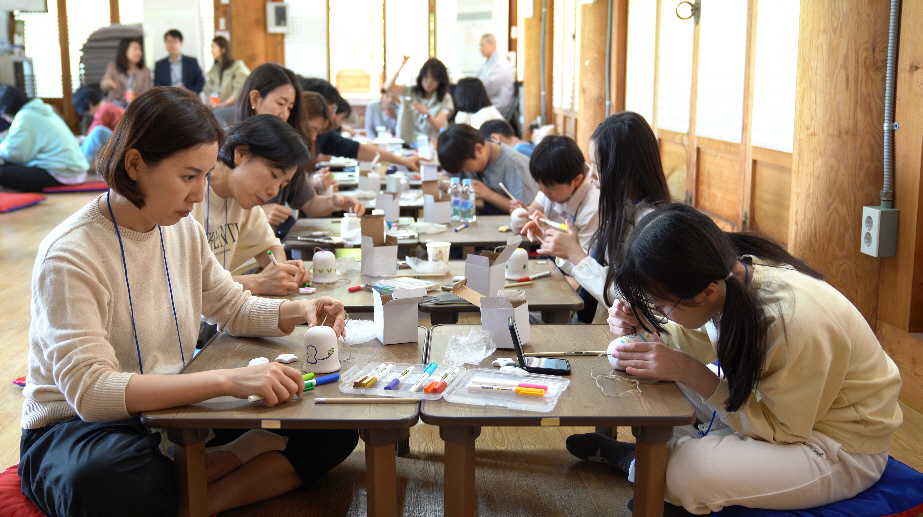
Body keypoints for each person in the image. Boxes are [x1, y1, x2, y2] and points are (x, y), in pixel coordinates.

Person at [19, 86, 358, 517]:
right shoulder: (70, 254)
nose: (199, 194)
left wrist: (301, 310)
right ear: (135, 164)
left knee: (335, 429)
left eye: (203, 176)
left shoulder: (180, 229)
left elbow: (231, 306)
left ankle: (197, 497)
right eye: (187, 176)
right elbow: (90, 392)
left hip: (170, 411)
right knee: (108, 479)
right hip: (79, 427)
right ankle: (212, 465)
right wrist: (227, 382)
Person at [568, 203, 903, 515]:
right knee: (652, 372)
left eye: (660, 305)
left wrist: (692, 372)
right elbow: (697, 336)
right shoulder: (728, 278)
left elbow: (782, 431)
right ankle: (652, 463)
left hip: (833, 445)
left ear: (707, 292)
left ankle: (643, 462)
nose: (658, 313)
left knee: (686, 473)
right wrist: (643, 324)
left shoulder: (796, 320)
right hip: (777, 410)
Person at [522, 112, 671, 324]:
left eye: (598, 167)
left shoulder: (650, 225)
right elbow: (598, 272)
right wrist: (558, 243)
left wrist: (575, 254)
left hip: (617, 334)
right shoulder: (624, 210)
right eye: (591, 164)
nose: (591, 175)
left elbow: (630, 300)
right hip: (600, 323)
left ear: (630, 171)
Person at [230, 64, 363, 230]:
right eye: (280, 103)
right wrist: (258, 214)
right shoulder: (224, 147)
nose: (285, 114)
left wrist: (334, 203)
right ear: (255, 99)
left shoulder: (287, 148)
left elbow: (309, 202)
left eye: (290, 108)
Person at [191, 114, 311, 296]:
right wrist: (255, 283)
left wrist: (280, 269)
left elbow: (268, 246)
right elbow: (180, 282)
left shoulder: (244, 199)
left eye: (282, 185)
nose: (274, 192)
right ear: (240, 154)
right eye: (273, 175)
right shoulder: (189, 193)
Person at [302, 77, 422, 172]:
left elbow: (357, 149)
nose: (334, 116)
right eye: (331, 110)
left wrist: (402, 160)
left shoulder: (324, 135)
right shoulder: (291, 138)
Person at [517, 136, 598, 253]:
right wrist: (522, 213)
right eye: (538, 183)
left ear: (577, 181)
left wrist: (548, 238)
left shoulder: (593, 208)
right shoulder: (553, 179)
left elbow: (583, 262)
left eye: (549, 187)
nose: (543, 191)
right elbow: (533, 209)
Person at [0, 86, 88, 191]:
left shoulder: (25, 116)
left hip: (60, 173)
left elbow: (16, 153)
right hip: (73, 171)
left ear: (5, 109)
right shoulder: (41, 111)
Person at [436, 123, 538, 214]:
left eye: (465, 167)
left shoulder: (515, 164)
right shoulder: (463, 155)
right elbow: (442, 177)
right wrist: (457, 186)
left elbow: (526, 211)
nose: (465, 171)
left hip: (512, 230)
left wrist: (488, 195)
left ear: (479, 149)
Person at [384, 56, 454, 143]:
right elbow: (388, 87)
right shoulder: (411, 92)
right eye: (426, 78)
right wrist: (401, 64)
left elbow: (439, 126)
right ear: (421, 77)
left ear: (440, 81)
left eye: (433, 79)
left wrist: (425, 113)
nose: (429, 82)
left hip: (432, 143)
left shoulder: (445, 98)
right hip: (408, 141)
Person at [72, 84, 125, 168]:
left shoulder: (104, 109)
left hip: (124, 143)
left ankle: (78, 165)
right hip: (124, 141)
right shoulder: (111, 106)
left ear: (89, 104)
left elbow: (91, 133)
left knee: (98, 132)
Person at [100, 37, 151, 105]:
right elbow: (103, 85)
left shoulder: (144, 70)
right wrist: (109, 83)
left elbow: (147, 93)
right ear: (125, 50)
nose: (139, 52)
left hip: (135, 106)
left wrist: (136, 100)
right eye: (135, 49)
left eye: (140, 49)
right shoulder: (113, 67)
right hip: (115, 105)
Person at [202, 36, 250, 109]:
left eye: (213, 47)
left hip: (234, 106)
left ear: (223, 50)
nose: (211, 51)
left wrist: (223, 104)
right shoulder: (214, 69)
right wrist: (211, 104)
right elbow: (208, 90)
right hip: (217, 106)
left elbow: (239, 91)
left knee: (219, 114)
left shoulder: (237, 66)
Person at [476, 34, 514, 117]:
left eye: (482, 45)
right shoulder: (489, 61)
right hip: (491, 101)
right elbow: (478, 78)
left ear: (492, 45)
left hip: (498, 104)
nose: (480, 49)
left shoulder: (500, 63)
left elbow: (488, 85)